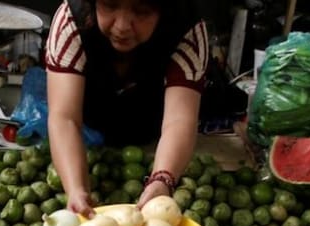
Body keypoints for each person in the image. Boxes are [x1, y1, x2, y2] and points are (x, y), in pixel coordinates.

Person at [43, 0, 209, 214]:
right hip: (89, 130)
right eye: (110, 5)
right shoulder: (71, 19)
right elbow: (64, 117)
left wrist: (162, 179)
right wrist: (75, 189)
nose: (122, 26)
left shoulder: (187, 28)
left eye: (141, 11)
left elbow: (179, 120)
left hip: (154, 129)